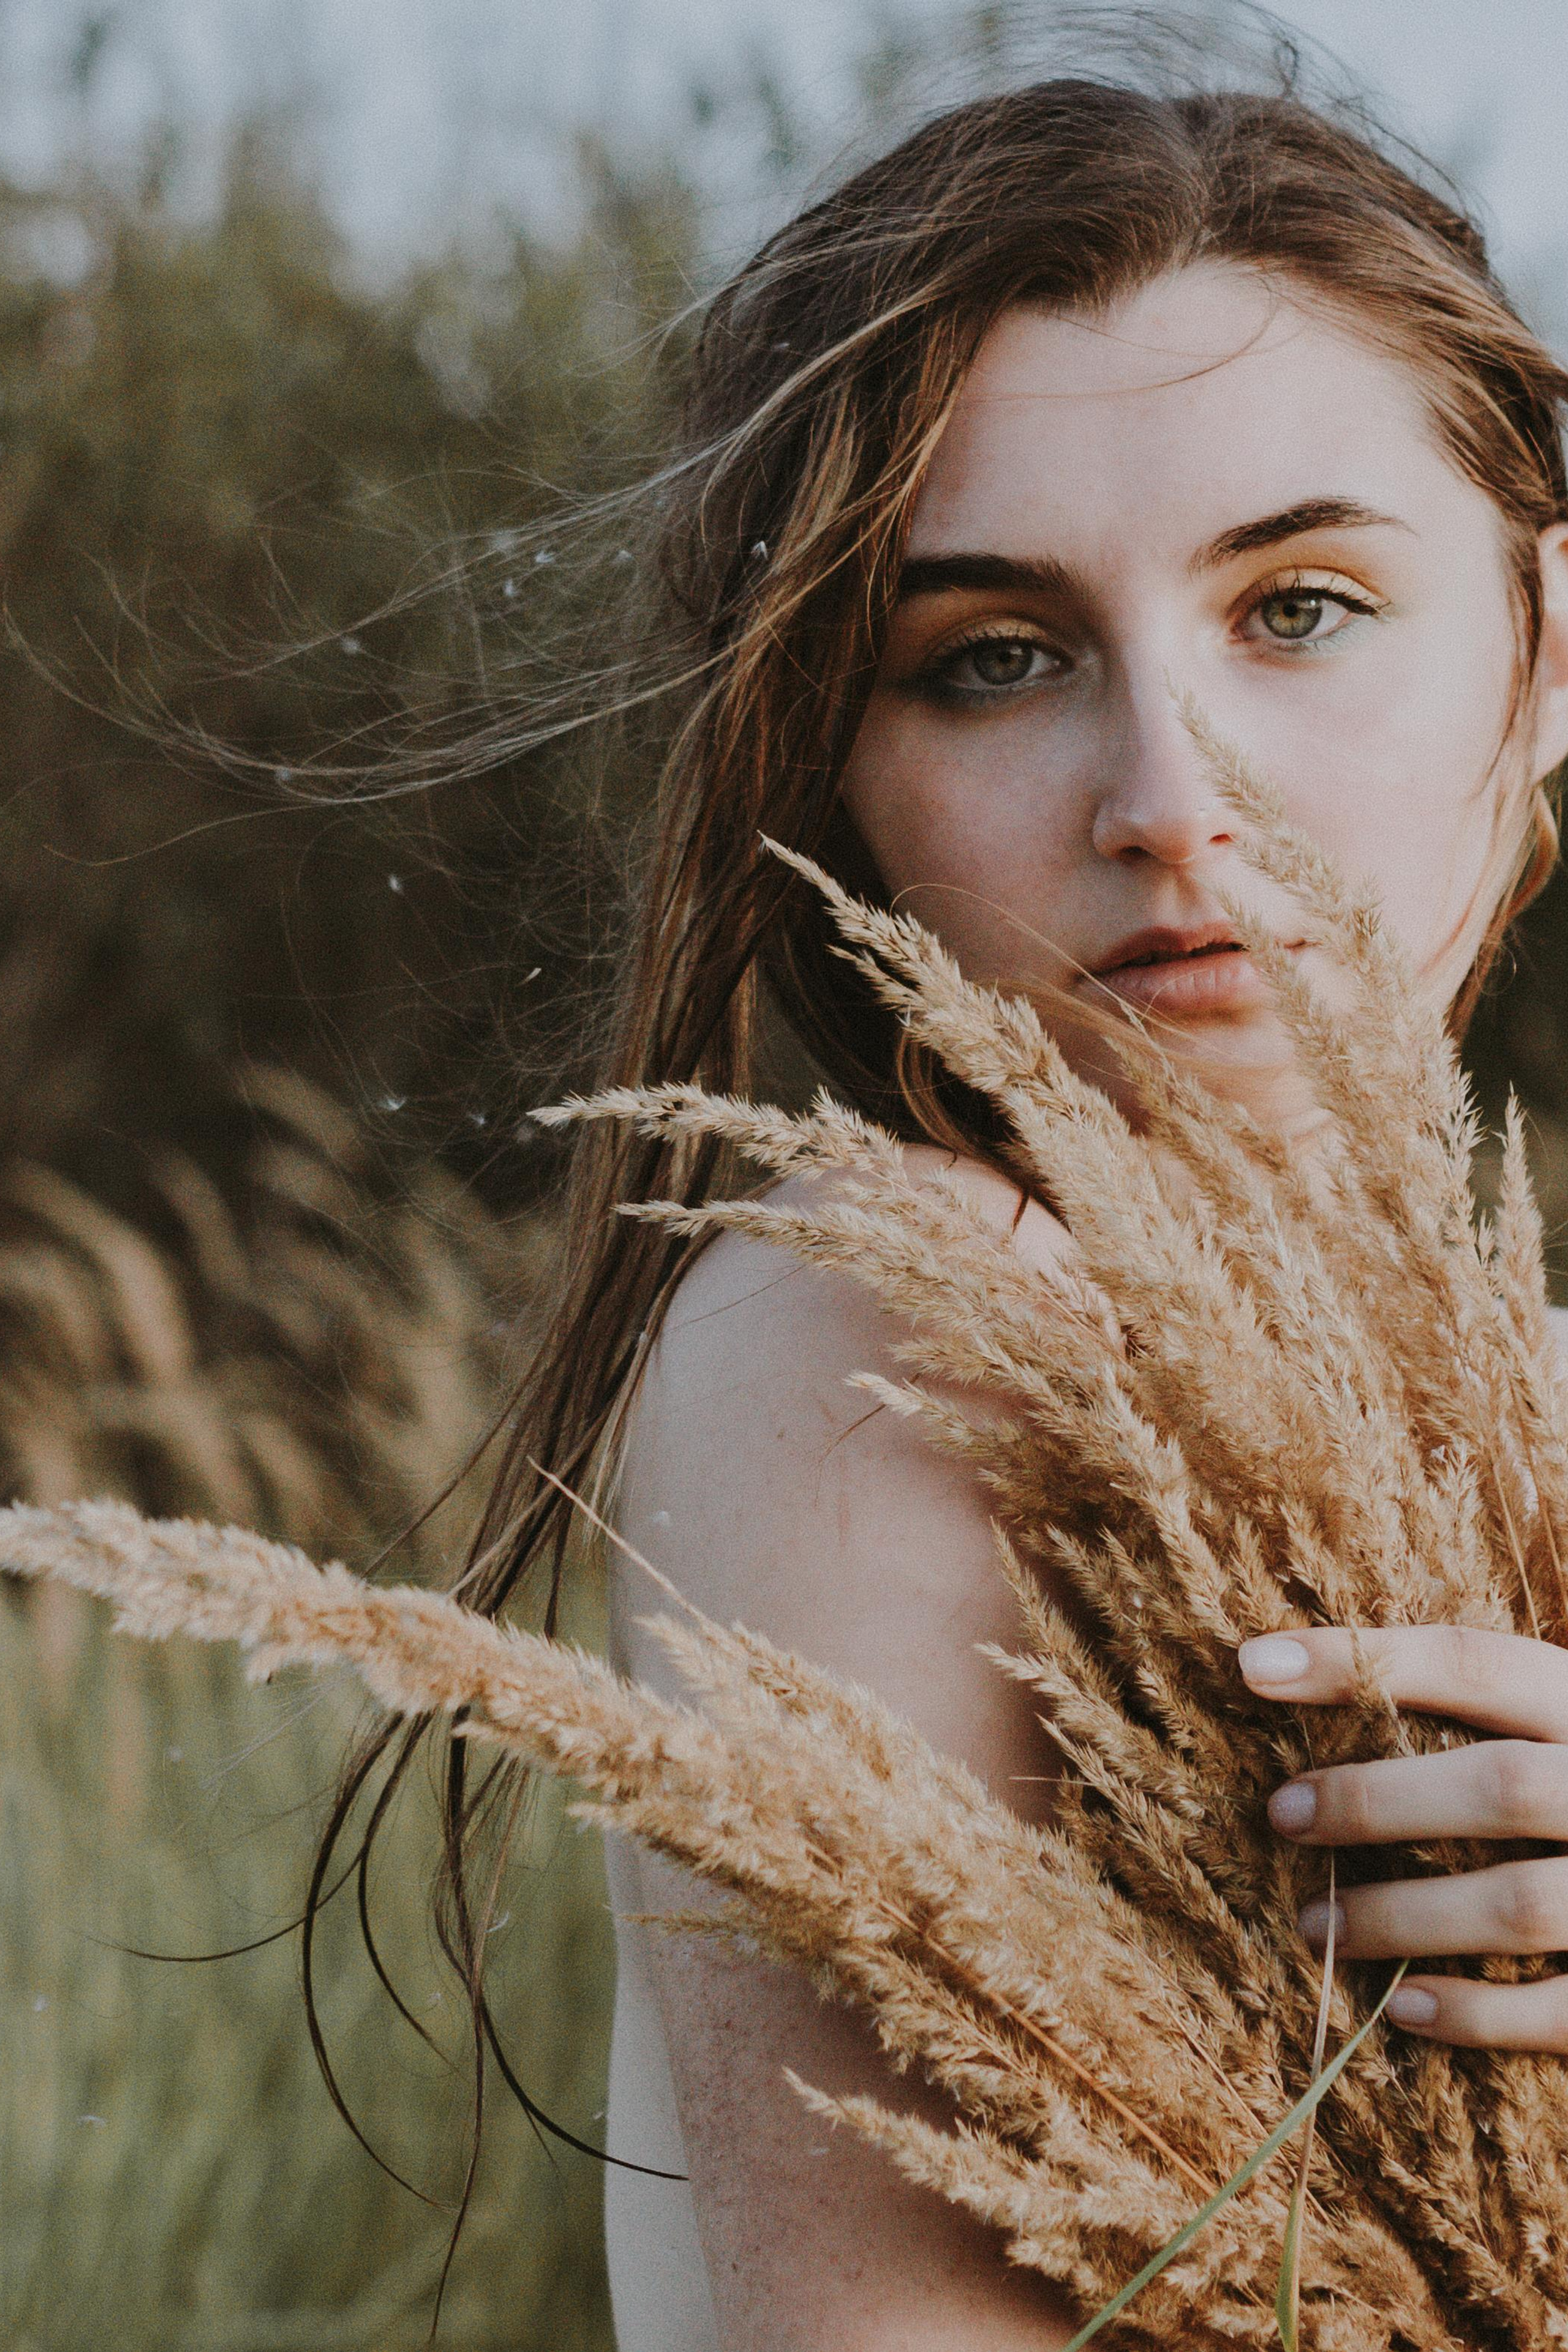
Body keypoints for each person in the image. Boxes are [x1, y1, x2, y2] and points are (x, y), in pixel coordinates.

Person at [443, 65, 1568, 2351]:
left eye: (1305, 608)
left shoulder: (1504, 1413)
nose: (1174, 798)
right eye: (995, 659)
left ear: (1549, 655)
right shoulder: (901, 1325)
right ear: (830, 775)